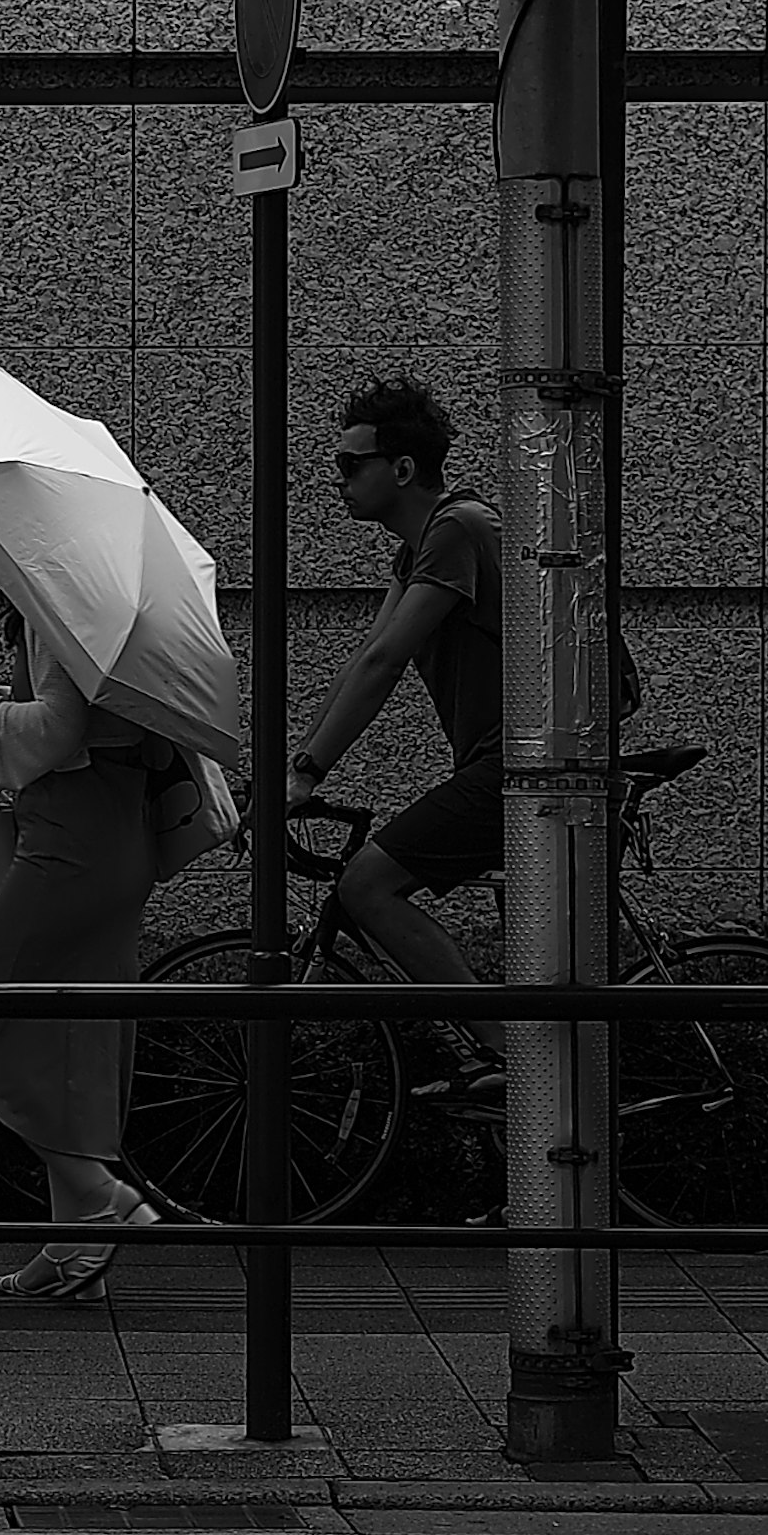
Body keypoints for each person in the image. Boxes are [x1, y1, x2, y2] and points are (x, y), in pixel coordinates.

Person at [0, 607, 171, 1301]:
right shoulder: (114, 613)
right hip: (119, 836)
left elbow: (59, 727)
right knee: (77, 1043)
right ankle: (72, 1251)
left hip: (70, 843)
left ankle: (105, 1200)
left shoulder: (58, 611)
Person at [286, 373, 503, 1077]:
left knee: (366, 887)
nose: (338, 479)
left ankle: (512, 1060)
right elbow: (363, 663)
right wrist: (299, 766)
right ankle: (506, 1054)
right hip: (501, 765)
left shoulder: (456, 529)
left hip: (522, 767)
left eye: (351, 464)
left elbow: (385, 661)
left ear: (403, 468)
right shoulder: (418, 550)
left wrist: (309, 773)